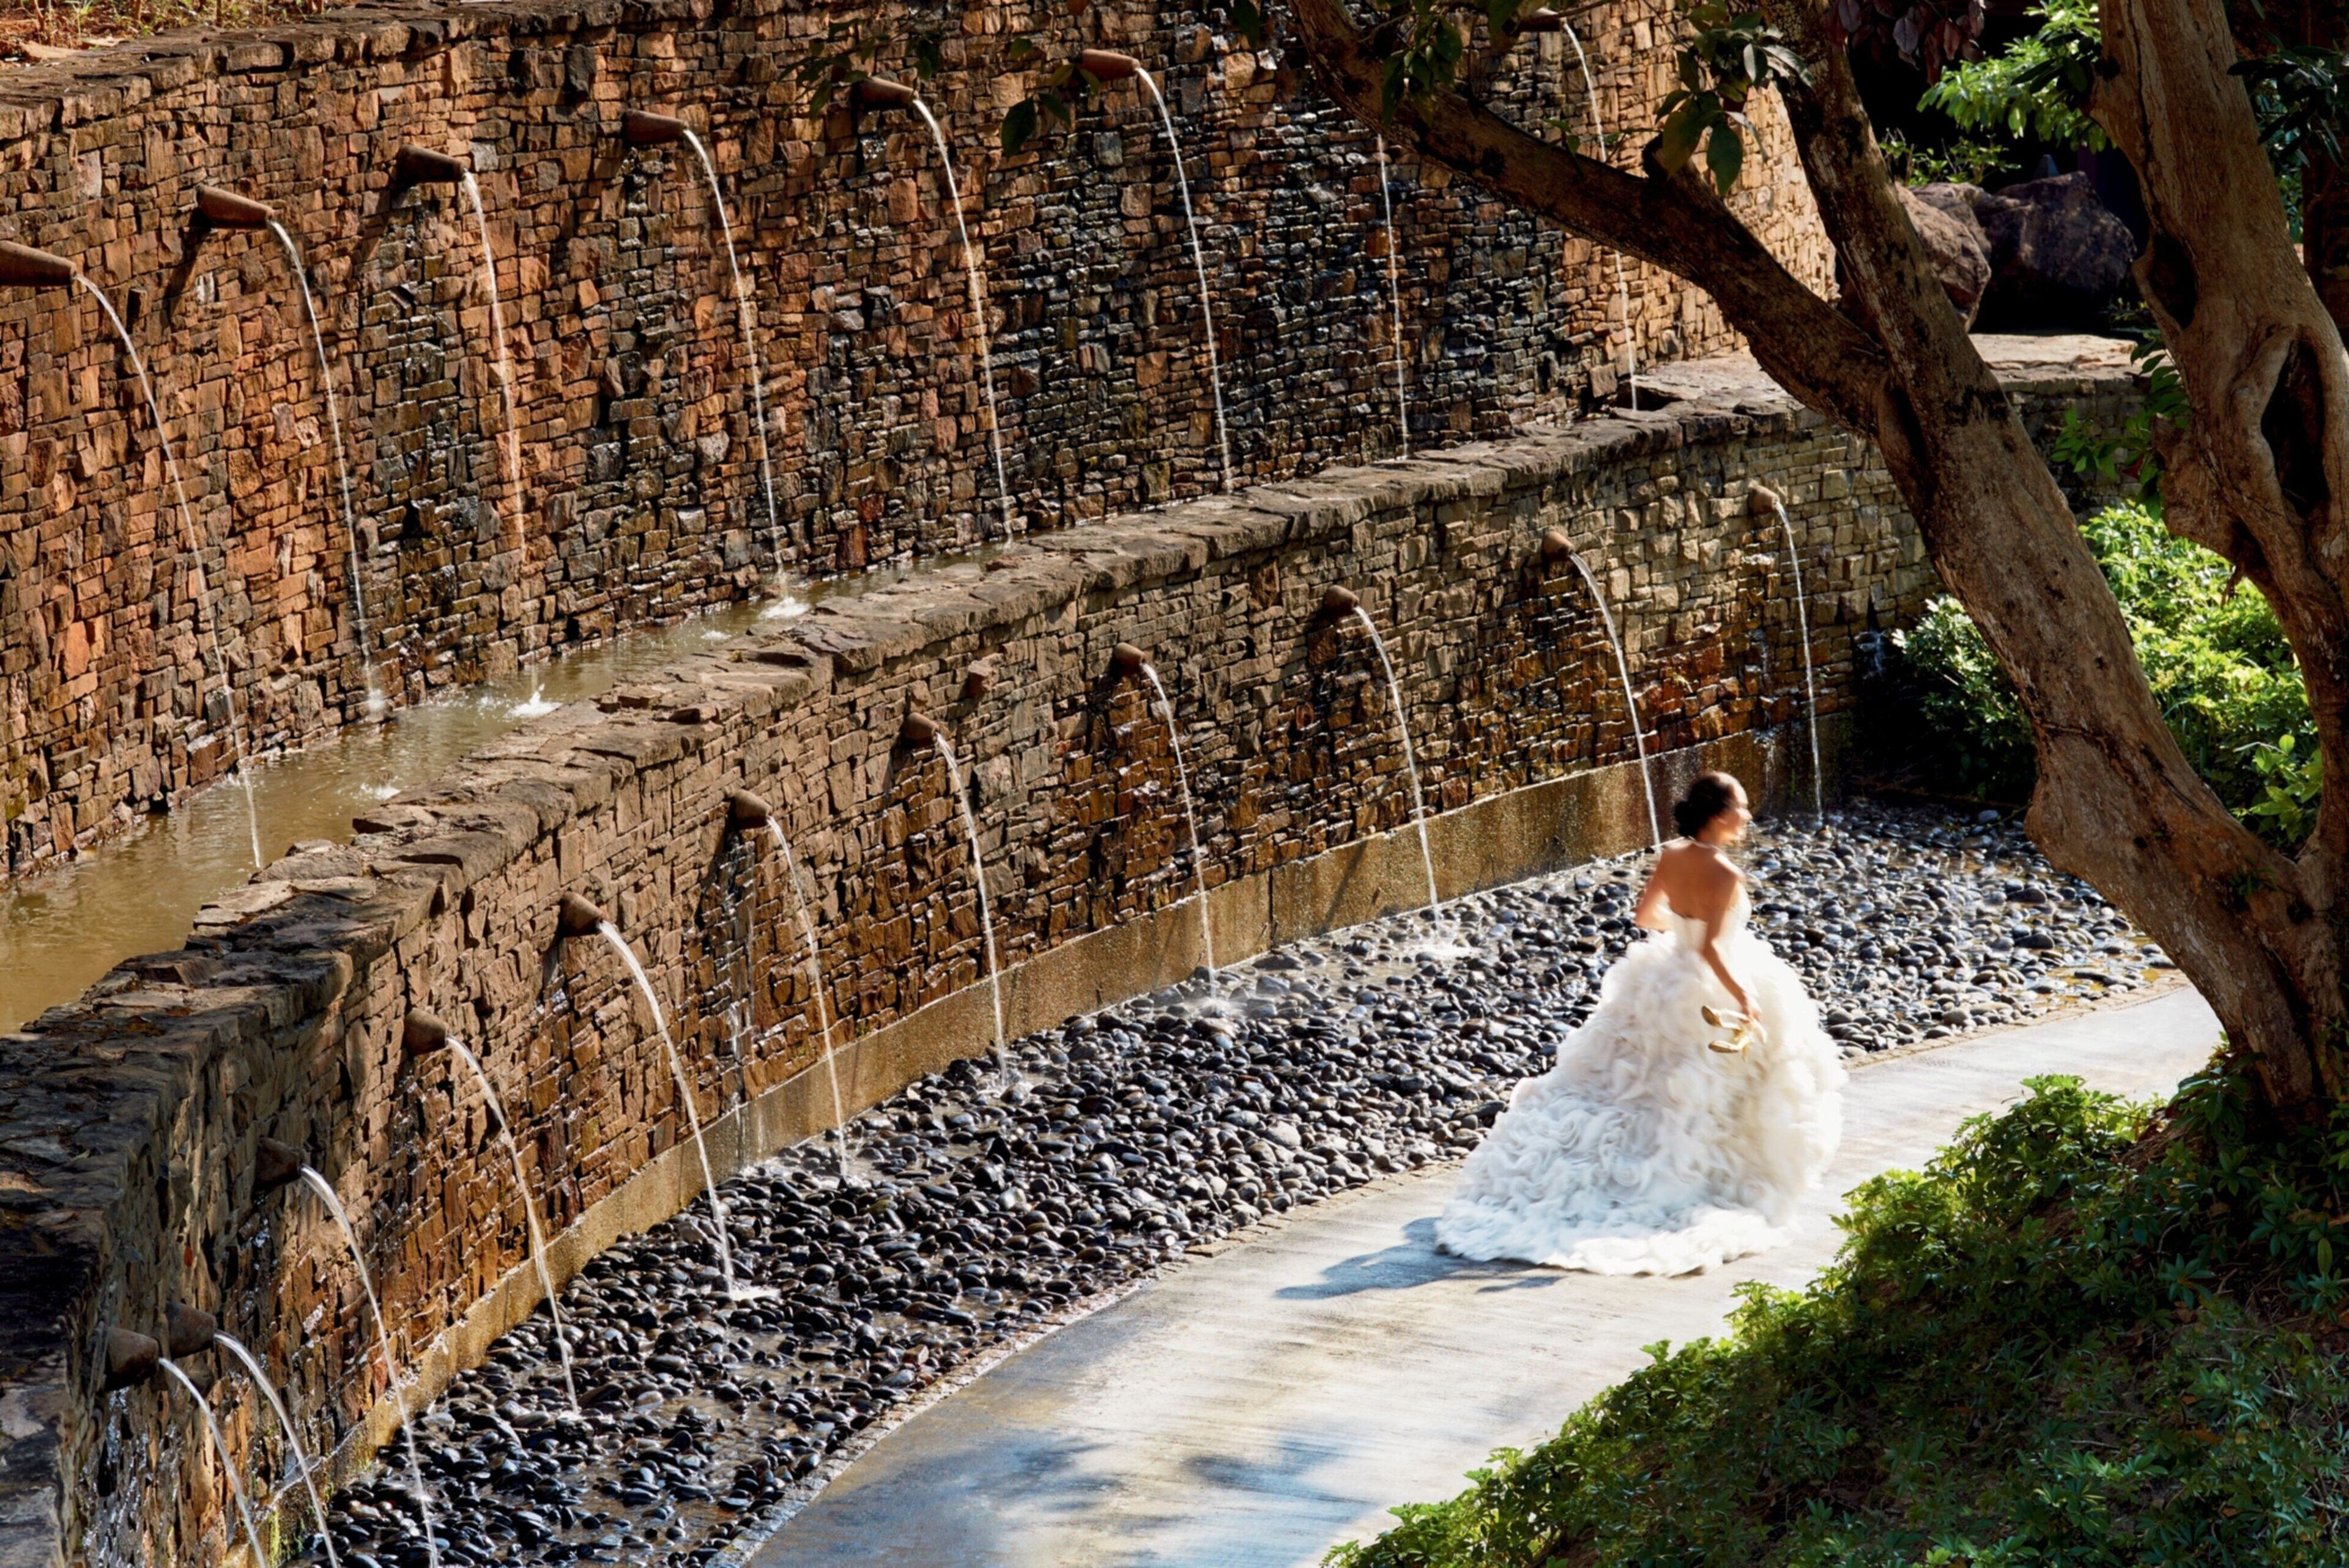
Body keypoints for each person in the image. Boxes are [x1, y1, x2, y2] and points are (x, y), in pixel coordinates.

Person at [1435, 771, 1844, 1275]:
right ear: (1719, 816)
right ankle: (1703, 1180)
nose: (1747, 816)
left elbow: (1645, 917)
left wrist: (1684, 928)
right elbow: (1716, 949)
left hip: (1665, 976)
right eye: (1741, 807)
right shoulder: (1727, 876)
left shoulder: (1672, 855)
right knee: (1709, 1091)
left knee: (1640, 1085)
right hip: (1711, 984)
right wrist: (1744, 998)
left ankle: (1630, 1171)